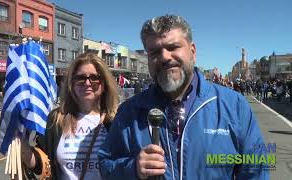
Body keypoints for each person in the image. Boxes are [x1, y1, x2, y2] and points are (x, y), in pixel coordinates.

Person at [98, 14, 269, 179]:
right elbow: (106, 165)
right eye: (155, 52)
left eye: (172, 47)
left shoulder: (234, 106)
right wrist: (133, 168)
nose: (164, 57)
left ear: (192, 51)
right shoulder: (129, 112)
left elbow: (256, 170)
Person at [22, 53, 119, 180]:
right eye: (80, 78)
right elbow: (42, 165)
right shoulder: (56, 119)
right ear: (71, 83)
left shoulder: (116, 120)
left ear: (104, 83)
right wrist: (23, 148)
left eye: (95, 78)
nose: (87, 83)